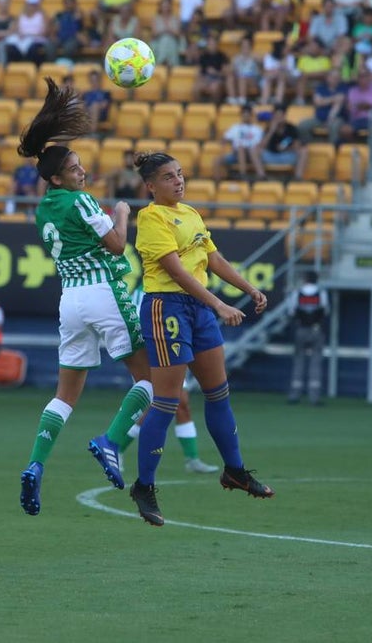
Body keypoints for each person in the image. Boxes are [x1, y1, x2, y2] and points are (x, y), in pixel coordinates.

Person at [15, 78, 159, 517]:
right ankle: (110, 441)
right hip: (104, 291)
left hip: (70, 301)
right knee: (151, 380)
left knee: (65, 394)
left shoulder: (43, 209)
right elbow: (117, 246)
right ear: (58, 176)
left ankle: (36, 464)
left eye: (80, 166)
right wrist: (121, 214)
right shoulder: (80, 201)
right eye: (75, 168)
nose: (82, 172)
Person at [126, 150, 274, 526]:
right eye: (169, 177)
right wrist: (220, 305)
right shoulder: (150, 217)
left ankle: (235, 470)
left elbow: (213, 259)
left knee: (217, 391)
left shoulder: (190, 213)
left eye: (180, 174)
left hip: (198, 309)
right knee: (167, 401)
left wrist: (249, 288)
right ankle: (144, 486)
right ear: (151, 186)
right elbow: (176, 272)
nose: (178, 181)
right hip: (168, 309)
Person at [283, 271, 330, 406]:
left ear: (304, 279)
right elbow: (325, 311)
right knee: (316, 362)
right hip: (316, 330)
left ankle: (294, 395)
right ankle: (314, 397)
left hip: (301, 329)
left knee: (298, 360)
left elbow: (291, 311)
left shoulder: (297, 293)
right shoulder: (322, 293)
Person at [214, 104, 265, 181]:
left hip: (252, 154)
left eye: (247, 115)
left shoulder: (257, 129)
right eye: (244, 115)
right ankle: (217, 183)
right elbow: (224, 139)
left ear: (251, 116)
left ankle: (245, 174)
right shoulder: (235, 127)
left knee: (243, 149)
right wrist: (225, 143)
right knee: (217, 160)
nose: (246, 117)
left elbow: (259, 144)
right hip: (236, 154)